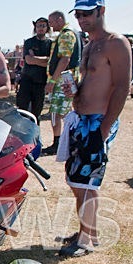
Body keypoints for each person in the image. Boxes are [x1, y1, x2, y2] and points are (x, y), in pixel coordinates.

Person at [57, 0, 130, 257]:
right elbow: (92, 82)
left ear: (101, 11)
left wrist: (105, 126)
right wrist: (74, 91)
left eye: (87, 13)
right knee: (75, 180)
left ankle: (86, 240)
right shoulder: (89, 45)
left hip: (97, 122)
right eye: (77, 14)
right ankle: (89, 231)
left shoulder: (116, 43)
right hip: (81, 120)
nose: (81, 19)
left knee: (87, 183)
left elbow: (122, 86)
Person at [42, 10, 82, 155]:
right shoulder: (73, 33)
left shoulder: (66, 35)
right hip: (67, 78)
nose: (50, 26)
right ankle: (66, 140)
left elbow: (65, 59)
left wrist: (53, 80)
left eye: (51, 22)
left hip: (62, 79)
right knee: (64, 111)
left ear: (59, 19)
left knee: (56, 112)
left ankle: (58, 142)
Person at [16, 18, 52, 119]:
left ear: (47, 28)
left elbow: (51, 63)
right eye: (38, 26)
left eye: (43, 26)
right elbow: (28, 60)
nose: (41, 28)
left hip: (41, 82)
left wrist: (36, 59)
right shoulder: (29, 42)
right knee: (22, 109)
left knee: (37, 111)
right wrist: (44, 60)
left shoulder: (50, 44)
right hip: (27, 80)